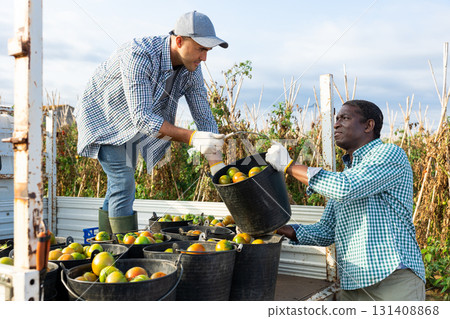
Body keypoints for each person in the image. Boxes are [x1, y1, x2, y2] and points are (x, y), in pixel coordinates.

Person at [74, 11, 227, 234]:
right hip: (104, 120)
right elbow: (143, 117)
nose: (204, 58)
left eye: (208, 51)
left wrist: (218, 166)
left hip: (130, 126)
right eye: (201, 49)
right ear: (179, 40)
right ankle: (123, 252)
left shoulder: (191, 69)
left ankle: (106, 246)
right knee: (123, 182)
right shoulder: (139, 54)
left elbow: (203, 115)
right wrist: (193, 138)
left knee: (118, 185)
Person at [265, 99, 426, 301]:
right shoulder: (348, 172)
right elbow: (326, 231)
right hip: (353, 285)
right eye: (336, 119)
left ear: (368, 125)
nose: (336, 124)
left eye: (345, 118)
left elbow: (345, 187)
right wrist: (275, 228)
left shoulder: (389, 154)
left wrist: (289, 165)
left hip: (392, 281)